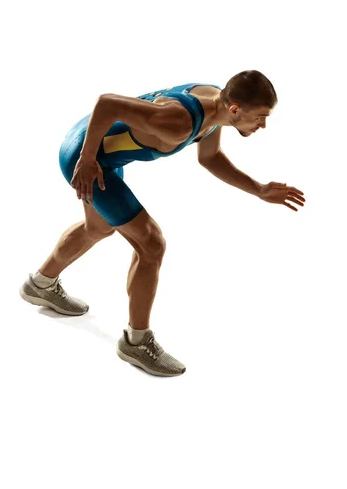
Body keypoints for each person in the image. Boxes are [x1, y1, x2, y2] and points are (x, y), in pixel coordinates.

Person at [19, 70, 305, 377]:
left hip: (96, 147)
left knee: (99, 227)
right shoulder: (178, 121)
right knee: (151, 244)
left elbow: (210, 157)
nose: (262, 125)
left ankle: (40, 284)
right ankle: (137, 342)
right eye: (260, 117)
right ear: (236, 109)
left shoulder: (215, 103)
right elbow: (107, 103)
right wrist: (87, 161)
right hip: (87, 155)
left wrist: (260, 189)